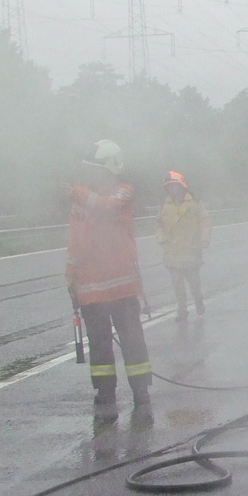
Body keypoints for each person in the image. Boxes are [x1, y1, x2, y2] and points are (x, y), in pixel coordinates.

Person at [66, 139, 151, 421]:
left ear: (109, 168)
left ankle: (141, 390)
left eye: (95, 168)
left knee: (132, 338)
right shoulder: (83, 198)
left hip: (121, 284)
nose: (90, 173)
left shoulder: (123, 191)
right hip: (90, 287)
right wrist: (70, 275)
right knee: (99, 343)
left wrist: (79, 193)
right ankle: (105, 392)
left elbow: (106, 208)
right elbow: (75, 239)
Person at [156, 170, 210, 321]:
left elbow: (205, 222)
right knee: (177, 285)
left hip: (191, 250)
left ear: (181, 186)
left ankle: (198, 300)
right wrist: (161, 238)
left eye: (174, 185)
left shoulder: (195, 203)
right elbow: (159, 225)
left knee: (194, 283)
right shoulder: (165, 205)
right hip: (172, 253)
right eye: (169, 186)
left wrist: (204, 239)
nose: (172, 189)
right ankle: (182, 310)